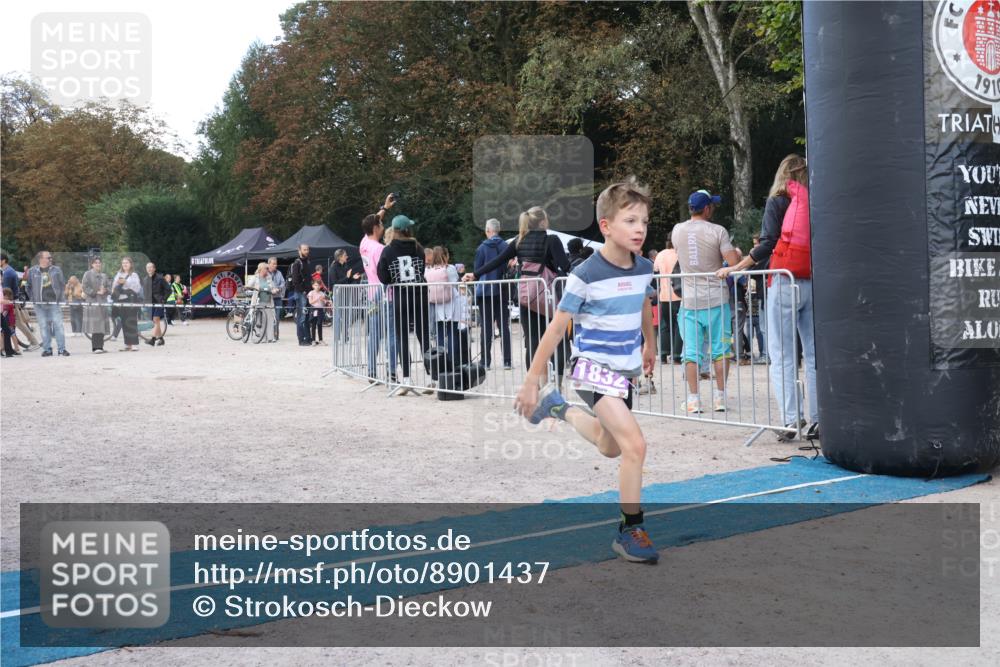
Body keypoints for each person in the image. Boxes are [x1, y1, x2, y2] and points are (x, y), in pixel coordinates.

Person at [514, 180, 659, 564]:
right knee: (635, 446)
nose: (640, 228)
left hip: (623, 370)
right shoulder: (586, 274)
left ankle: (558, 408)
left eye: (644, 220)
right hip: (592, 369)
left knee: (609, 446)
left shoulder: (644, 266)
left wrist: (650, 342)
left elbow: (643, 302)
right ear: (606, 225)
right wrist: (531, 379)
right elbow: (557, 327)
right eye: (630, 220)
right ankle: (630, 529)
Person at [719, 154, 817, 440]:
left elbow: (768, 243)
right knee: (813, 356)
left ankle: (790, 420)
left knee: (782, 354)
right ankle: (820, 420)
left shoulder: (778, 202)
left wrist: (736, 267)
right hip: (812, 283)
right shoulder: (816, 202)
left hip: (783, 283)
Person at [463, 206, 572, 386]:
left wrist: (475, 274)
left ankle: (535, 386)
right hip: (548, 297)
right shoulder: (552, 240)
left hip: (526, 297)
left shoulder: (518, 241)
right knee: (556, 340)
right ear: (543, 221)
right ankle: (556, 385)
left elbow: (497, 261)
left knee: (532, 341)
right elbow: (565, 266)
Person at [671, 189, 740, 414]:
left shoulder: (677, 230)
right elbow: (732, 261)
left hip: (690, 300)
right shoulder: (718, 230)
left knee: (691, 352)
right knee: (720, 349)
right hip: (717, 299)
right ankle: (720, 398)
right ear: (707, 208)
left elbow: (682, 256)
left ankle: (693, 399)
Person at [377, 214, 430, 392]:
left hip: (401, 296)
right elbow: (422, 268)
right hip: (419, 295)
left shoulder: (388, 250)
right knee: (424, 337)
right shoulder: (418, 247)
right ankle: (433, 377)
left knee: (402, 338)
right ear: (407, 229)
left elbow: (383, 277)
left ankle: (406, 379)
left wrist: (394, 278)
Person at [359, 194, 399, 382]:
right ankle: (392, 373)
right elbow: (388, 275)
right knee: (391, 333)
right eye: (381, 225)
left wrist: (385, 207)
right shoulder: (380, 249)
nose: (383, 226)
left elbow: (373, 221)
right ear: (376, 228)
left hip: (372, 294)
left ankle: (372, 372)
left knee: (374, 334)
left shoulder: (364, 243)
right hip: (385, 295)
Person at [473, 218, 513, 370]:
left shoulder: (482, 248)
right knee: (504, 325)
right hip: (502, 290)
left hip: (485, 291)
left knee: (486, 326)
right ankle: (507, 361)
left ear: (488, 230)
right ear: (499, 230)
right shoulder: (506, 246)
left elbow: (477, 269)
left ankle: (485, 361)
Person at [25, 250, 69, 357]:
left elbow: (62, 284)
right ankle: (47, 349)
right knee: (44, 326)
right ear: (41, 259)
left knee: (58, 326)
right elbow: (28, 286)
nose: (50, 259)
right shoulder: (32, 271)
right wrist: (33, 298)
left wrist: (61, 297)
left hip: (54, 303)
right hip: (39, 304)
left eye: (51, 257)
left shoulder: (57, 270)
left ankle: (62, 349)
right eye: (48, 257)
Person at [652, 238, 683, 364]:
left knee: (664, 325)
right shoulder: (679, 254)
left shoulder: (660, 254)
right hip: (678, 295)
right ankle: (676, 356)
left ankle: (664, 355)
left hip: (663, 296)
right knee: (679, 325)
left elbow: (655, 270)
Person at [1, 253, 35, 351]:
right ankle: (9, 347)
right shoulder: (10, 270)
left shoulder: (7, 273)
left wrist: (5, 304)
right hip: (13, 301)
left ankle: (33, 342)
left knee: (18, 324)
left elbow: (6, 291)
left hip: (10, 302)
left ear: (3, 261)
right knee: (13, 325)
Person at [110, 257, 142, 351]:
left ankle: (134, 344)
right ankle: (128, 343)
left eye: (127, 263)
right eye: (123, 263)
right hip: (120, 300)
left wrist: (126, 282)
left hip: (130, 299)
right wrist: (117, 283)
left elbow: (137, 288)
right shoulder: (119, 274)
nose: (125, 264)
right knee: (124, 322)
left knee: (131, 321)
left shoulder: (134, 275)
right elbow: (114, 287)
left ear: (131, 264)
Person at [81, 257, 111, 353]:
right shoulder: (87, 274)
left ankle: (100, 347)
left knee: (102, 325)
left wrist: (105, 290)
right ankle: (95, 347)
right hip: (93, 302)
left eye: (99, 262)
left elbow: (110, 288)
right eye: (96, 263)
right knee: (96, 325)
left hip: (102, 303)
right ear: (92, 264)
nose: (98, 264)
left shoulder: (104, 276)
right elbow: (85, 287)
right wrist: (96, 292)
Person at [330, 249, 360, 343]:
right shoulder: (333, 268)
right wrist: (347, 277)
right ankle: (337, 337)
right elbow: (335, 283)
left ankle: (345, 336)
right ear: (340, 257)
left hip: (346, 293)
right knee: (338, 316)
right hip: (338, 294)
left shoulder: (345, 266)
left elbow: (348, 281)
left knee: (346, 315)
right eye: (345, 255)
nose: (347, 257)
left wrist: (353, 278)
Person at [246, 262, 278, 343]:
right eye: (266, 268)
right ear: (261, 269)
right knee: (261, 320)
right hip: (258, 302)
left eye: (268, 269)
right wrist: (255, 287)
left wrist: (275, 290)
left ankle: (270, 338)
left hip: (268, 301)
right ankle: (262, 338)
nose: (267, 270)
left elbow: (273, 287)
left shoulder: (269, 277)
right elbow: (247, 286)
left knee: (270, 319)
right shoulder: (255, 278)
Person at [289, 244, 313, 346]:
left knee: (307, 316)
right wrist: (302, 291)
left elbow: (308, 279)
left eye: (307, 249)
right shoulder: (297, 263)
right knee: (301, 317)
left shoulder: (308, 262)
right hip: (300, 294)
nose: (306, 251)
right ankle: (301, 339)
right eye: (304, 249)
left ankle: (308, 338)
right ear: (299, 251)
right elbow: (295, 281)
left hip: (308, 293)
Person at [143, 262, 170, 346]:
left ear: (154, 269)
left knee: (156, 319)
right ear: (146, 269)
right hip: (150, 304)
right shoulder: (145, 279)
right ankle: (161, 339)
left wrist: (163, 299)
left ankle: (153, 339)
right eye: (148, 268)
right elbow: (145, 293)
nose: (149, 269)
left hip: (159, 302)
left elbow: (169, 290)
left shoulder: (160, 278)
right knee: (156, 322)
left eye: (151, 267)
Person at [307, 279, 330, 345]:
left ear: (320, 286)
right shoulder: (311, 293)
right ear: (313, 286)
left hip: (320, 310)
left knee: (320, 324)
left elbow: (324, 301)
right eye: (315, 285)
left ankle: (321, 340)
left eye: (318, 285)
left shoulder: (322, 293)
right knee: (313, 325)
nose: (317, 286)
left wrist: (326, 301)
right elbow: (310, 302)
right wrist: (317, 299)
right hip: (314, 309)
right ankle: (313, 340)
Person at [267, 258, 285, 338]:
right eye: (273, 263)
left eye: (276, 263)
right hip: (268, 298)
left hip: (278, 298)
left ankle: (275, 335)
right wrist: (270, 290)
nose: (275, 265)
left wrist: (279, 289)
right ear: (269, 264)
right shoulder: (265, 273)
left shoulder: (279, 273)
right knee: (268, 316)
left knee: (277, 317)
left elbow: (283, 283)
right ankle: (268, 334)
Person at [1, 288, 18, 357]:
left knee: (7, 333)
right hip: (8, 320)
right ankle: (8, 350)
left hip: (7, 319)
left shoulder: (8, 303)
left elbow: (6, 312)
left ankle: (7, 350)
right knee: (9, 333)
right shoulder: (9, 302)